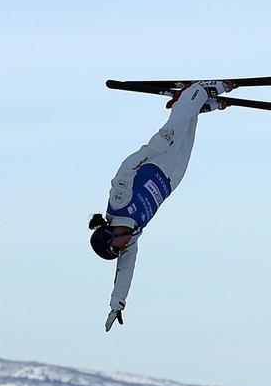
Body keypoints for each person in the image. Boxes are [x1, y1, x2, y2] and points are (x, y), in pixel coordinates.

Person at [89, 80, 233, 331]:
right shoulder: (131, 237)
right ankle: (190, 104)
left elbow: (125, 169)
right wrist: (117, 304)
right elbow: (125, 270)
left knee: (174, 132)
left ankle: (203, 89)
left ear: (109, 234)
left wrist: (153, 148)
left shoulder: (118, 204)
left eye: (116, 249)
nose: (122, 250)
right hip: (170, 180)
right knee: (188, 138)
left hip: (157, 160)